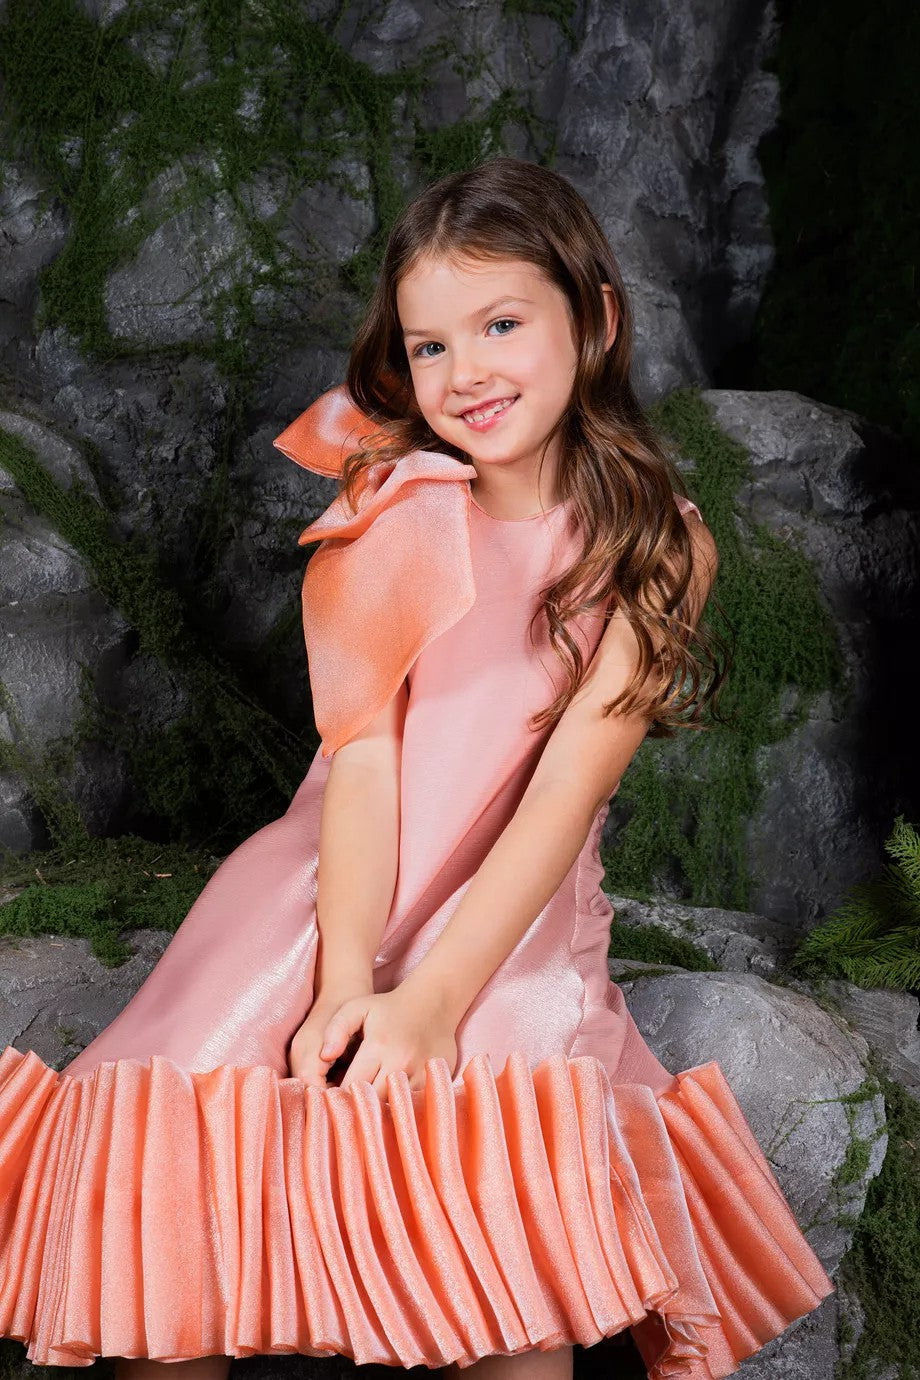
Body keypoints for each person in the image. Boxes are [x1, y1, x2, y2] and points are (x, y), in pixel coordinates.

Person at [0, 156, 835, 1380]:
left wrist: (432, 999)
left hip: (506, 922)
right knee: (175, 1213)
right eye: (429, 345)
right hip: (328, 890)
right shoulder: (390, 511)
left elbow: (563, 794)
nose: (465, 373)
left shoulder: (657, 546)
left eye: (501, 325)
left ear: (594, 320)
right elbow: (365, 762)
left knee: (501, 1276)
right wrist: (344, 978)